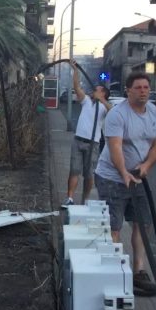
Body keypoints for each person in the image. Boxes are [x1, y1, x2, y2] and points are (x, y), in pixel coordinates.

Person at [93, 72, 156, 295]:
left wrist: (146, 166)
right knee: (113, 225)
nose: (143, 91)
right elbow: (115, 147)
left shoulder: (154, 112)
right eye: (138, 87)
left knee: (144, 222)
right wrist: (123, 172)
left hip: (137, 177)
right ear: (128, 91)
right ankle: (114, 271)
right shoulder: (118, 115)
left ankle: (138, 271)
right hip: (111, 177)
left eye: (146, 87)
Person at [62, 63, 111, 207]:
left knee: (89, 175)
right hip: (78, 141)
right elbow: (77, 87)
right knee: (74, 170)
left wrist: (102, 99)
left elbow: (112, 111)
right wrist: (75, 71)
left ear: (103, 93)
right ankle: (70, 198)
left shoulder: (104, 107)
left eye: (97, 89)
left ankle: (86, 200)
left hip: (92, 144)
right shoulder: (86, 101)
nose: (93, 90)